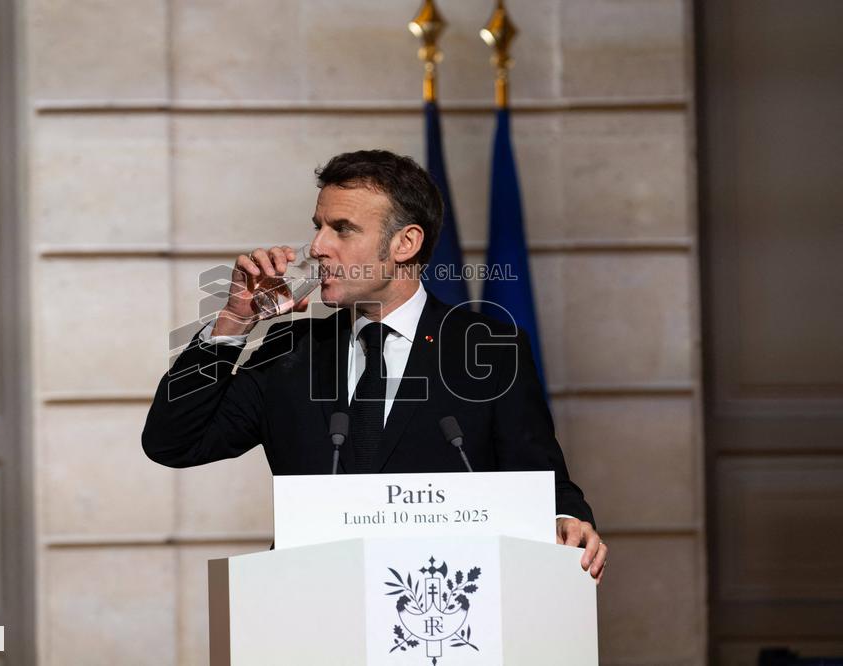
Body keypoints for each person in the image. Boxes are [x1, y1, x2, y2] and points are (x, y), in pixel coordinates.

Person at [142, 149, 607, 583]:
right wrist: (234, 320)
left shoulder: (486, 348)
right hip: (310, 609)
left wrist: (567, 520)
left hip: (442, 611)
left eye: (341, 229)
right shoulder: (291, 350)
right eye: (317, 226)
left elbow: (542, 481)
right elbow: (174, 441)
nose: (317, 246)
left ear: (405, 243)